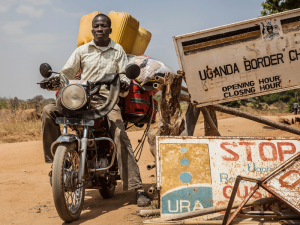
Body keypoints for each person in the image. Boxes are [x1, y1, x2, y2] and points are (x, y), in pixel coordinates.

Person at [40, 14, 151, 207]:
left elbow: (124, 76)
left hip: (106, 99)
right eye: (97, 26)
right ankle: (56, 164)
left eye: (104, 26)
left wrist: (124, 85)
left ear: (109, 29)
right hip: (81, 97)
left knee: (119, 133)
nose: (100, 28)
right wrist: (52, 81)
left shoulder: (118, 51)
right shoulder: (82, 51)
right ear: (92, 30)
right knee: (48, 111)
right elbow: (66, 74)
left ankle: (137, 188)